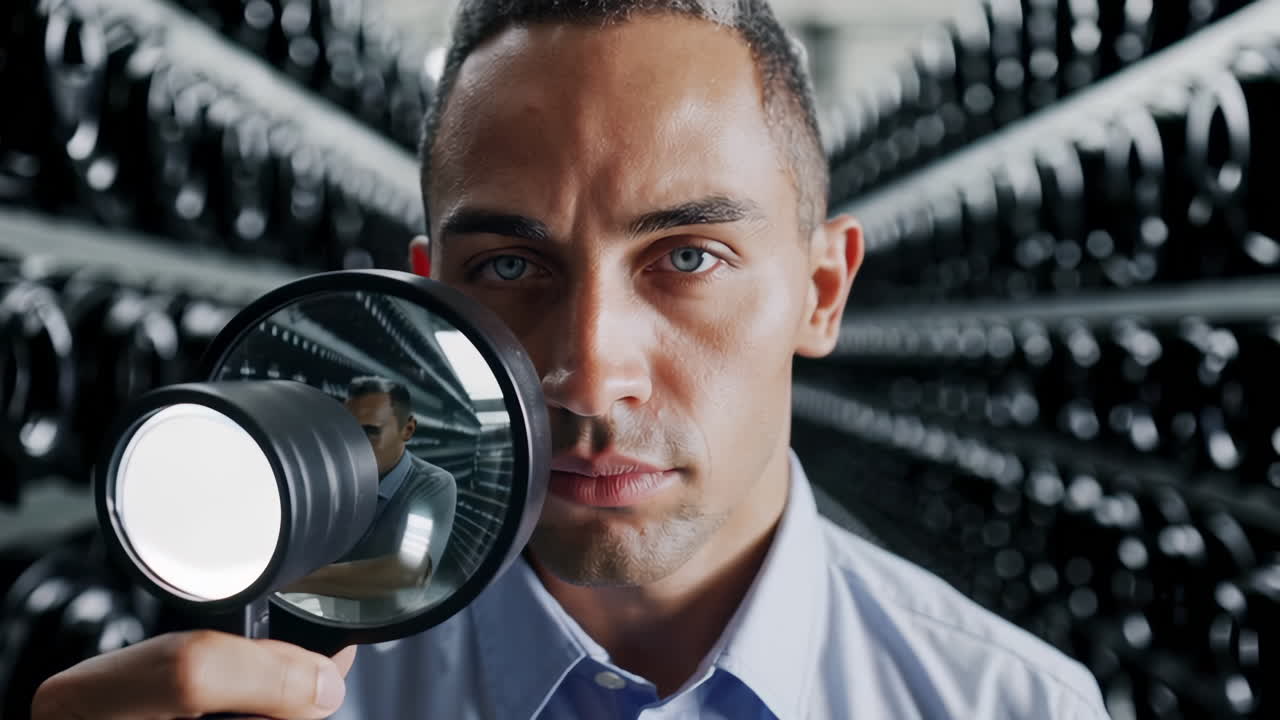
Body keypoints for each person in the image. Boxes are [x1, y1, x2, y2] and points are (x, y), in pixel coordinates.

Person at [31, 1, 1112, 718]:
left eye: (687, 255)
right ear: (426, 305)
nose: (589, 380)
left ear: (819, 291)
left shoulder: (1012, 705)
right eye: (508, 267)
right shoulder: (270, 699)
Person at [281, 377, 457, 617]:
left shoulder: (431, 485)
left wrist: (291, 579)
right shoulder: (333, 474)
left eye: (371, 432)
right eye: (349, 431)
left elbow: (406, 573)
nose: (356, 444)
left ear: (408, 429)